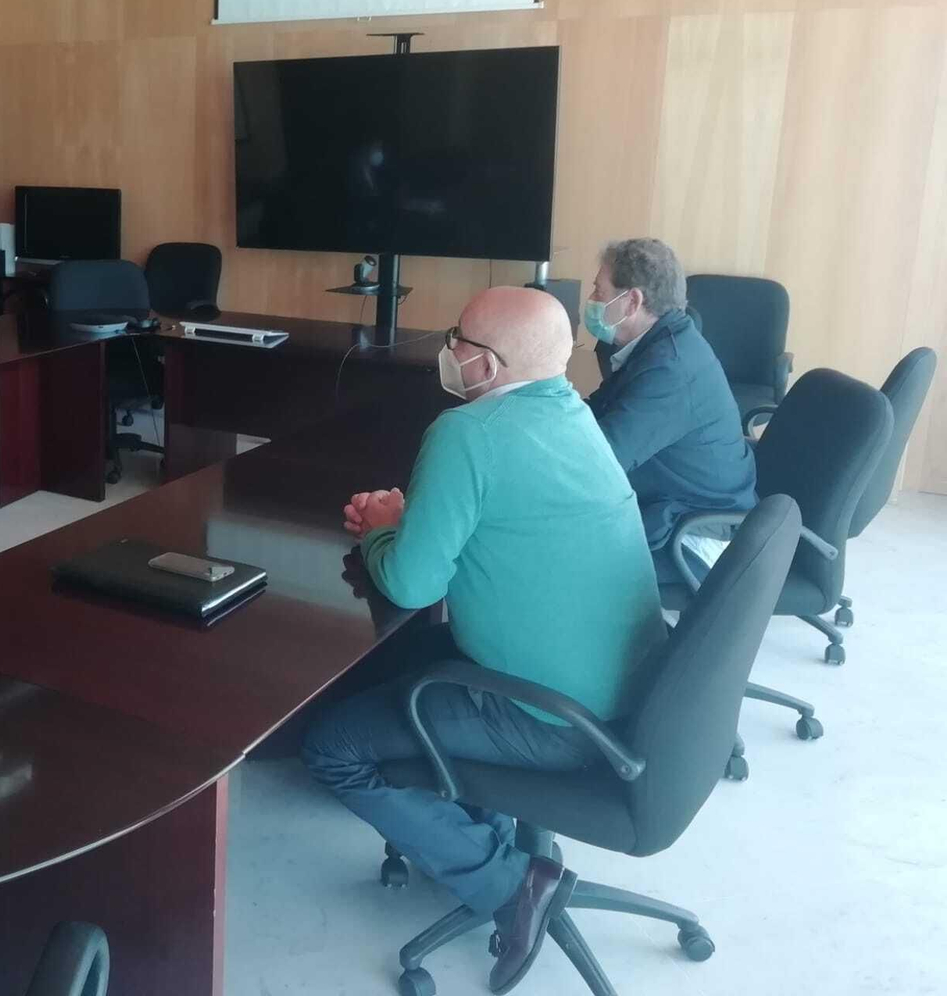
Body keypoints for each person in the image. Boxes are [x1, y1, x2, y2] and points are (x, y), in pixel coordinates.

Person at [302, 286, 666, 995]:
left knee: (333, 747)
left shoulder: (467, 432)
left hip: (550, 716)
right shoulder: (574, 415)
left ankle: (511, 883)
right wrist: (421, 514)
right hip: (622, 693)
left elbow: (409, 584)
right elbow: (509, 521)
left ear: (490, 365)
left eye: (457, 337)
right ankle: (483, 838)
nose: (449, 350)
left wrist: (382, 527)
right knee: (423, 664)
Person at [583, 238, 756, 583]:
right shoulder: (656, 343)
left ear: (632, 301)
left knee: (554, 552)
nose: (592, 302)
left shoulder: (671, 368)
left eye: (599, 293)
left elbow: (601, 461)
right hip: (678, 501)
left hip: (696, 533)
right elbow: (600, 411)